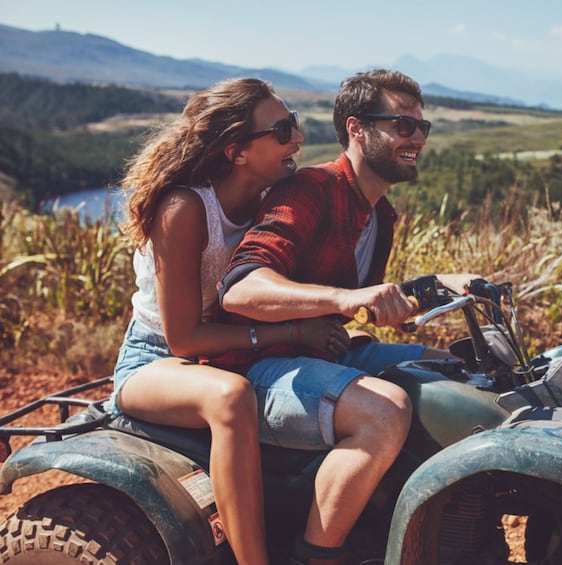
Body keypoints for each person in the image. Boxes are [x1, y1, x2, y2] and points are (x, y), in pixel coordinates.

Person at [214, 69, 474, 565]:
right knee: (385, 411)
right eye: (402, 125)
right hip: (257, 363)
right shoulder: (312, 188)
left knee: (452, 376)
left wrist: (436, 285)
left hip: (319, 351)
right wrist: (341, 300)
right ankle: (317, 555)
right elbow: (242, 287)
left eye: (423, 127)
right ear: (356, 129)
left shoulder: (380, 215)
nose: (417, 137)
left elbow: (365, 302)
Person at [109, 77, 348, 565]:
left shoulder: (268, 198)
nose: (298, 138)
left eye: (295, 124)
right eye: (283, 130)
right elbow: (183, 338)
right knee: (231, 397)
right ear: (237, 151)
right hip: (156, 359)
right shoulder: (187, 208)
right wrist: (293, 332)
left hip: (228, 350)